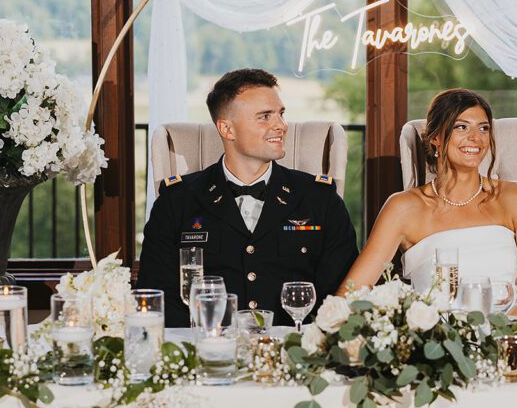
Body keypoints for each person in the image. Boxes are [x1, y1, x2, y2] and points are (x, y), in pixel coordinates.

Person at [137, 68, 359, 327]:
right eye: (265, 117)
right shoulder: (177, 201)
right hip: (208, 352)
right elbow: (156, 297)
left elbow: (344, 292)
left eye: (281, 114)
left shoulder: (320, 199)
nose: (282, 126)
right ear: (227, 129)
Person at [338, 88, 517, 322]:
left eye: (483, 128)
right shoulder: (403, 207)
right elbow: (350, 295)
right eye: (461, 126)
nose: (475, 137)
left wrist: (489, 339)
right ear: (435, 138)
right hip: (434, 348)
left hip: (503, 340)